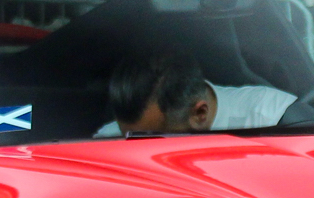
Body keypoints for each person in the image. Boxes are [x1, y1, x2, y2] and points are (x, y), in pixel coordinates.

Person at [98, 45, 293, 136]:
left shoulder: (272, 117)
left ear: (200, 113)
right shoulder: (109, 139)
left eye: (153, 138)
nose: (138, 147)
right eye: (129, 137)